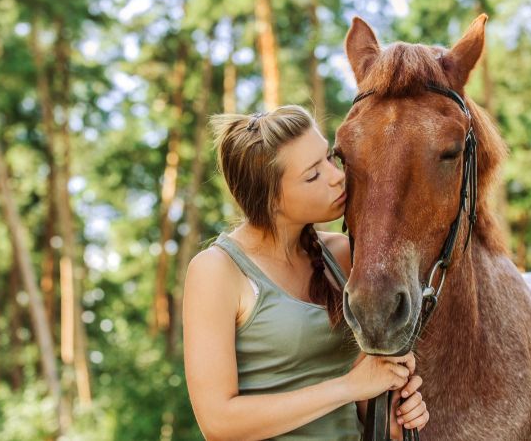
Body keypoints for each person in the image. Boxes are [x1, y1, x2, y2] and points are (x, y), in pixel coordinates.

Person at [182, 105, 430, 440]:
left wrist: (396, 408)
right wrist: (349, 387)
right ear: (270, 199)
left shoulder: (340, 254)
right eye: (312, 175)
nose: (336, 176)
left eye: (329, 158)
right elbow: (219, 423)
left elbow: (365, 398)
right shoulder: (217, 271)